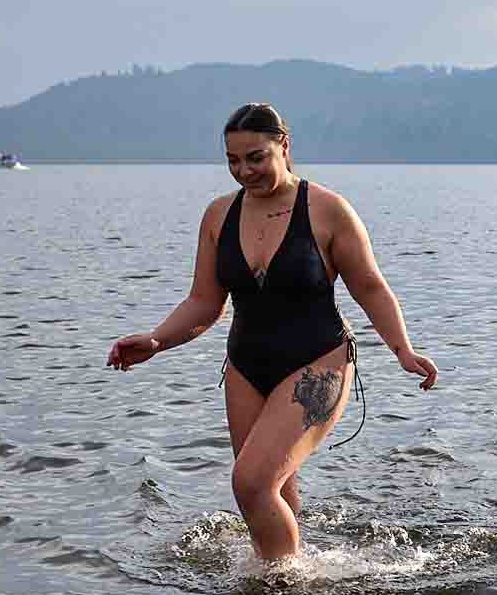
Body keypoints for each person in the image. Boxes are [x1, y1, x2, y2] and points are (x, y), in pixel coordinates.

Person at [106, 103, 437, 559]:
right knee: (272, 489)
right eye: (233, 161)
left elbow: (372, 289)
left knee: (251, 482)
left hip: (318, 359)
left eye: (256, 157)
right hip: (247, 366)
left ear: (284, 146)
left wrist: (403, 350)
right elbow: (204, 302)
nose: (244, 171)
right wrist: (157, 340)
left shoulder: (328, 210)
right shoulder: (219, 215)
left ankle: (279, 587)